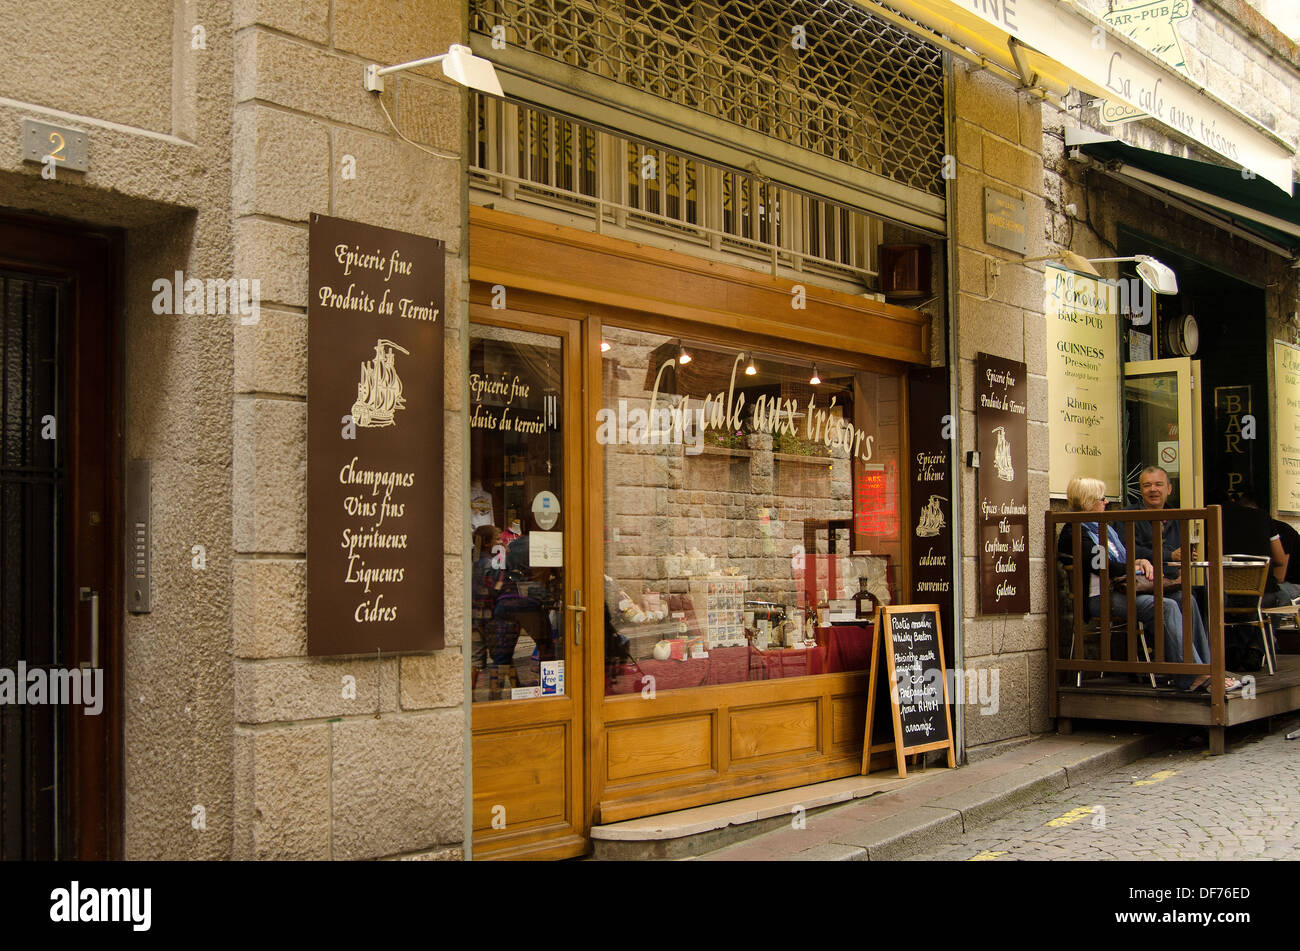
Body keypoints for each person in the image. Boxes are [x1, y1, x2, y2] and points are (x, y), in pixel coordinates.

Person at [1062, 476, 1239, 692]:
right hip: (1101, 597)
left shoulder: (1104, 528)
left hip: (1124, 589)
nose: (1106, 502)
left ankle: (1208, 670)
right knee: (1165, 606)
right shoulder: (1075, 531)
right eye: (1102, 498)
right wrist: (1136, 567)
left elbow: (1120, 561)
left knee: (1186, 599)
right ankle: (1193, 676)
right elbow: (1101, 565)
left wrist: (1140, 561)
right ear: (1088, 501)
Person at [1127, 465, 1182, 580]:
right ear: (1141, 490)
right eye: (1147, 485)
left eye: (1158, 484)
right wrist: (1170, 555)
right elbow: (1128, 551)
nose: (1153, 489)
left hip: (1172, 581)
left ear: (1169, 489)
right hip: (1142, 583)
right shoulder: (1126, 516)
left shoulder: (1177, 516)